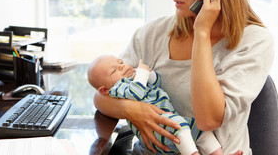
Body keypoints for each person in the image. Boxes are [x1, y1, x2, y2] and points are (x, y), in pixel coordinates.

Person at [93, 0, 274, 155]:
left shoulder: (254, 40)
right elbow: (102, 95)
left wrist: (201, 33)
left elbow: (208, 120)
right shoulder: (151, 34)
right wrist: (132, 109)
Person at [88, 54, 232, 155]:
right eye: (114, 70)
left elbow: (157, 82)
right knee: (178, 124)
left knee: (200, 129)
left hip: (169, 121)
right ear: (105, 89)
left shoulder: (133, 77)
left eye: (120, 62)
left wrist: (148, 74)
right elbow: (136, 93)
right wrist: (142, 73)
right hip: (157, 132)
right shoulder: (118, 89)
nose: (121, 67)